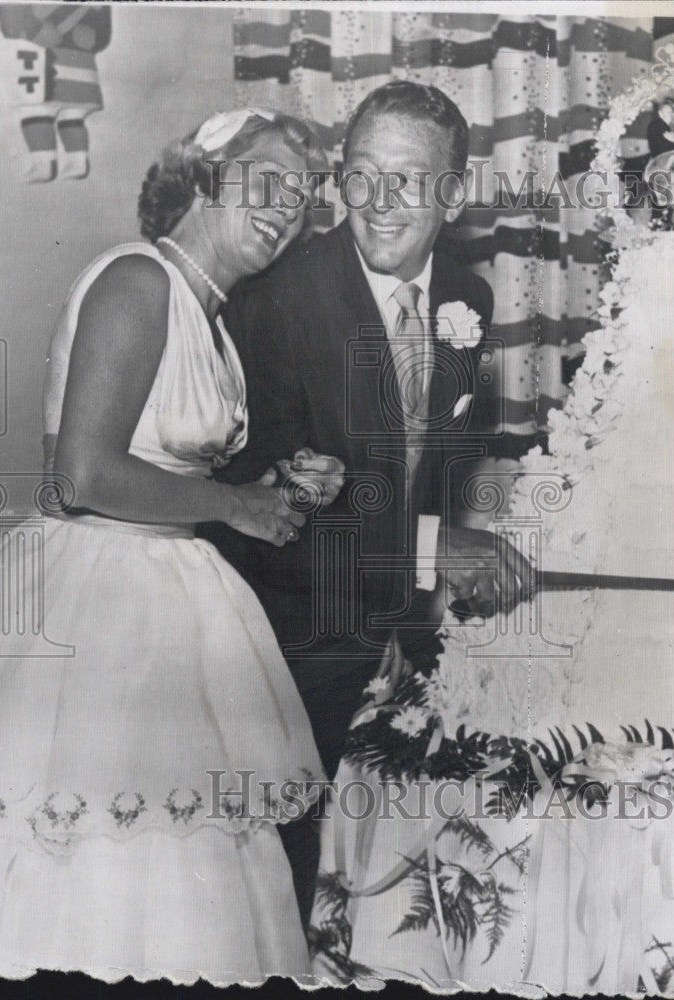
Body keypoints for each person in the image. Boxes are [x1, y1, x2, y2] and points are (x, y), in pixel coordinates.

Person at [0, 108, 345, 985]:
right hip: (97, 602)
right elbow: (83, 476)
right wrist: (234, 503)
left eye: (306, 195)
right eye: (270, 180)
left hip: (169, 589)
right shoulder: (137, 281)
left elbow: (166, 463)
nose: (289, 208)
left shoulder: (213, 315)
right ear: (207, 178)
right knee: (108, 859)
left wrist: (279, 483)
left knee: (192, 861)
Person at [201, 81, 531, 926]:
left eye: (407, 181)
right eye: (360, 175)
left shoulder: (470, 300)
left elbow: (428, 472)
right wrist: (432, 548)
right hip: (295, 652)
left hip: (410, 644)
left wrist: (439, 569)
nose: (377, 204)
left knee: (410, 899)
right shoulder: (273, 303)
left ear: (453, 195)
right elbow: (259, 527)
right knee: (284, 897)